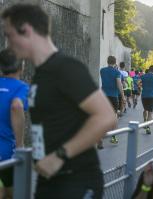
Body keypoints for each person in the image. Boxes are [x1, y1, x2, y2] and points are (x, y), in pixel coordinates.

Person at [1, 4, 117, 199]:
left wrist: (59, 155)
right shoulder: (41, 74)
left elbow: (106, 117)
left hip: (76, 181)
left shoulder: (65, 67)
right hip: (49, 181)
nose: (7, 42)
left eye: (9, 35)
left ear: (26, 30)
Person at [0, 49, 29, 199]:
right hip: (5, 154)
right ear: (21, 67)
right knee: (13, 194)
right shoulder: (21, 87)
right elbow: (16, 106)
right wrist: (20, 145)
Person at [100, 56, 125, 144]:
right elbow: (119, 84)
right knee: (114, 116)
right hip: (113, 96)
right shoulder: (117, 72)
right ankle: (113, 137)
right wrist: (122, 96)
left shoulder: (102, 70)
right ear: (115, 62)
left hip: (103, 96)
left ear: (107, 61)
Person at [140, 65, 153, 134]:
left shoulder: (143, 76)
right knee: (150, 112)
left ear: (149, 69)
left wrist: (141, 86)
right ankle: (148, 127)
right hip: (151, 96)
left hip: (144, 95)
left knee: (145, 109)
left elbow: (138, 83)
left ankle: (145, 120)